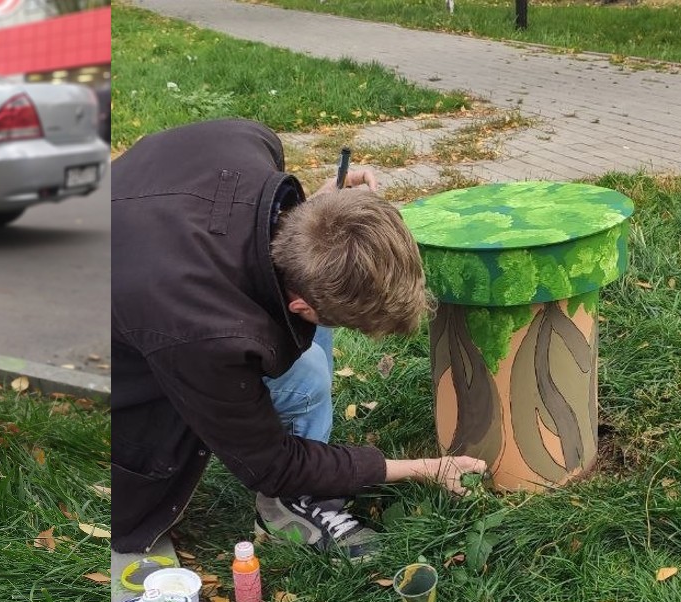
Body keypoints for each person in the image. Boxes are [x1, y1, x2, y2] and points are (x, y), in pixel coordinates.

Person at [111, 118, 487, 557]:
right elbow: (271, 462)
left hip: (132, 235)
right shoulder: (210, 337)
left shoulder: (245, 139)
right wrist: (424, 468)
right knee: (305, 380)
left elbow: (256, 222)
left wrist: (324, 209)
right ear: (299, 310)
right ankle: (288, 506)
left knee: (312, 319)